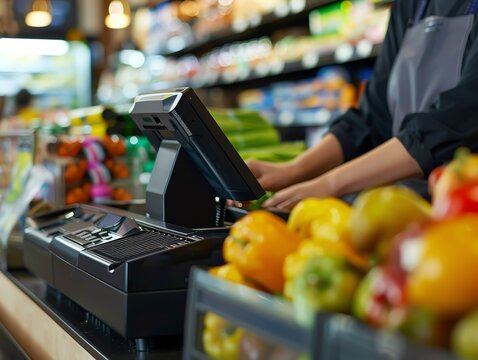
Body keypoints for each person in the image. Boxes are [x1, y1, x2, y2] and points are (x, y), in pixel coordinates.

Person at [248, 0, 478, 210]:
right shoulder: (411, 5)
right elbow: (371, 118)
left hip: (464, 206)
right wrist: (294, 170)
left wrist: (328, 185)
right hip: (405, 207)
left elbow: (455, 121)